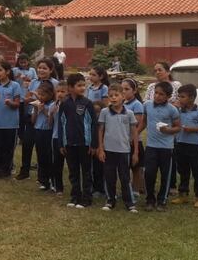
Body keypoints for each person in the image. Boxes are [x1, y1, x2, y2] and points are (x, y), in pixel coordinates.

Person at [56, 72, 97, 209]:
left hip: (85, 144)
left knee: (86, 172)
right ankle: (75, 196)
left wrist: (93, 143)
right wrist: (61, 143)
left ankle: (86, 198)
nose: (82, 88)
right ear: (70, 88)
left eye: (83, 85)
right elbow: (61, 124)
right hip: (70, 144)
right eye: (79, 85)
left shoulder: (87, 104)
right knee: (73, 172)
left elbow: (93, 124)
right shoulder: (64, 104)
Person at [96, 84, 139, 212]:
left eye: (116, 95)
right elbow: (100, 131)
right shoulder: (105, 112)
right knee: (109, 176)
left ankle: (129, 202)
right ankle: (110, 200)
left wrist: (135, 152)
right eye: (111, 96)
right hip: (109, 150)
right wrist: (101, 148)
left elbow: (134, 133)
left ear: (123, 97)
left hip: (124, 151)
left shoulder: (129, 113)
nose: (113, 98)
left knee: (125, 177)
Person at [143, 82, 181, 212]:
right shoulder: (147, 105)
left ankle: (162, 200)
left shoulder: (172, 109)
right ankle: (149, 199)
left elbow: (177, 127)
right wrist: (135, 134)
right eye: (156, 93)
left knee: (166, 175)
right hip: (151, 146)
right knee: (149, 173)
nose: (158, 96)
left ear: (168, 96)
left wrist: (167, 130)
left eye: (161, 94)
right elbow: (144, 121)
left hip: (166, 147)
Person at [170, 84, 198, 208]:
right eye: (179, 96)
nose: (180, 99)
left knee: (197, 172)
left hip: (194, 146)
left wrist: (192, 129)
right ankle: (183, 194)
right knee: (183, 171)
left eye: (182, 97)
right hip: (180, 144)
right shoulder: (178, 112)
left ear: (192, 98)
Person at [21, 59, 59, 181]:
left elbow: (56, 100)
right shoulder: (33, 82)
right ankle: (25, 171)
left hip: (48, 118)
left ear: (50, 70)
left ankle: (44, 176)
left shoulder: (55, 83)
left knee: (45, 149)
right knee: (27, 143)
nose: (41, 70)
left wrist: (40, 100)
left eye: (44, 68)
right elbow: (29, 98)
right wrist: (30, 100)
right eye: (39, 68)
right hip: (33, 115)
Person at [12, 53, 37, 181]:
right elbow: (11, 78)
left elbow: (34, 82)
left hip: (30, 101)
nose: (23, 63)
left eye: (25, 61)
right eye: (21, 61)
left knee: (28, 120)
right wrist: (17, 77)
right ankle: (21, 136)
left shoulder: (32, 71)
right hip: (20, 98)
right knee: (20, 120)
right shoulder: (15, 70)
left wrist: (28, 79)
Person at [87, 66, 109, 197]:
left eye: (94, 75)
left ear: (100, 76)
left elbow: (105, 104)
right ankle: (92, 184)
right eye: (90, 74)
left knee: (99, 158)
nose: (91, 77)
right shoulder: (88, 88)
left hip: (99, 121)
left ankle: (100, 187)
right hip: (90, 121)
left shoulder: (104, 88)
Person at [30, 81, 57, 191]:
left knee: (48, 156)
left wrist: (44, 110)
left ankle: (52, 180)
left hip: (48, 132)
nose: (40, 97)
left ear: (50, 95)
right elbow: (33, 121)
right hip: (38, 131)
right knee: (40, 156)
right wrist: (36, 110)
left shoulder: (52, 105)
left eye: (43, 95)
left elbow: (51, 121)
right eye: (39, 94)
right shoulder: (37, 103)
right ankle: (43, 180)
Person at [122, 79, 146, 196]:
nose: (124, 92)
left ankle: (136, 190)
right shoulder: (122, 103)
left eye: (127, 89)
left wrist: (132, 138)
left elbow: (137, 123)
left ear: (135, 90)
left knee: (135, 167)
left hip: (134, 141)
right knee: (125, 167)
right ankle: (127, 190)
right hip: (123, 140)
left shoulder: (137, 104)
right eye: (122, 89)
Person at [51, 81, 68, 194]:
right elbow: (50, 123)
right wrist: (51, 114)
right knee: (57, 163)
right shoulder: (54, 105)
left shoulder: (71, 105)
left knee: (72, 164)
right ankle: (58, 187)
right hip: (56, 137)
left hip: (69, 138)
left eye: (63, 91)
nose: (60, 94)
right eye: (58, 91)